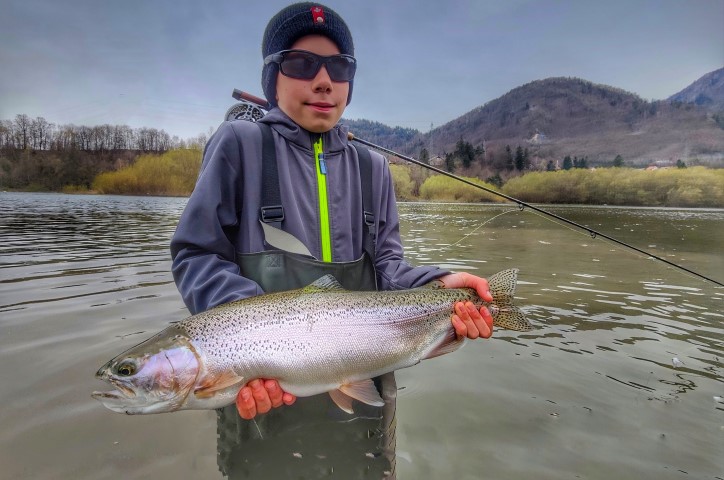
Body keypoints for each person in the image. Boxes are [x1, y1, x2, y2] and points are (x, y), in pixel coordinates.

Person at [170, 3, 494, 477]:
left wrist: (441, 282)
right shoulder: (239, 144)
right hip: (261, 397)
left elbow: (389, 269)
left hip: (362, 397)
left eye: (338, 67)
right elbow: (197, 254)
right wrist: (255, 341)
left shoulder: (373, 168)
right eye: (302, 65)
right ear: (272, 78)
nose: (324, 81)